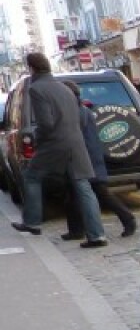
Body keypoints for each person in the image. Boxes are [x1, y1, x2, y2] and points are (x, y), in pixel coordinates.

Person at [10, 52, 106, 248]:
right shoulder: (64, 88)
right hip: (76, 143)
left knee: (31, 176)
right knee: (84, 187)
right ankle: (97, 235)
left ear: (32, 68)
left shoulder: (37, 89)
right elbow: (78, 117)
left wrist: (38, 139)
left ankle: (32, 222)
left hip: (55, 143)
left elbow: (46, 123)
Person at [61, 81, 136, 241]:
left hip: (86, 157)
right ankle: (76, 230)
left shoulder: (77, 111)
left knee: (100, 193)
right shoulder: (81, 109)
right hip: (88, 155)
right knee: (73, 195)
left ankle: (128, 219)